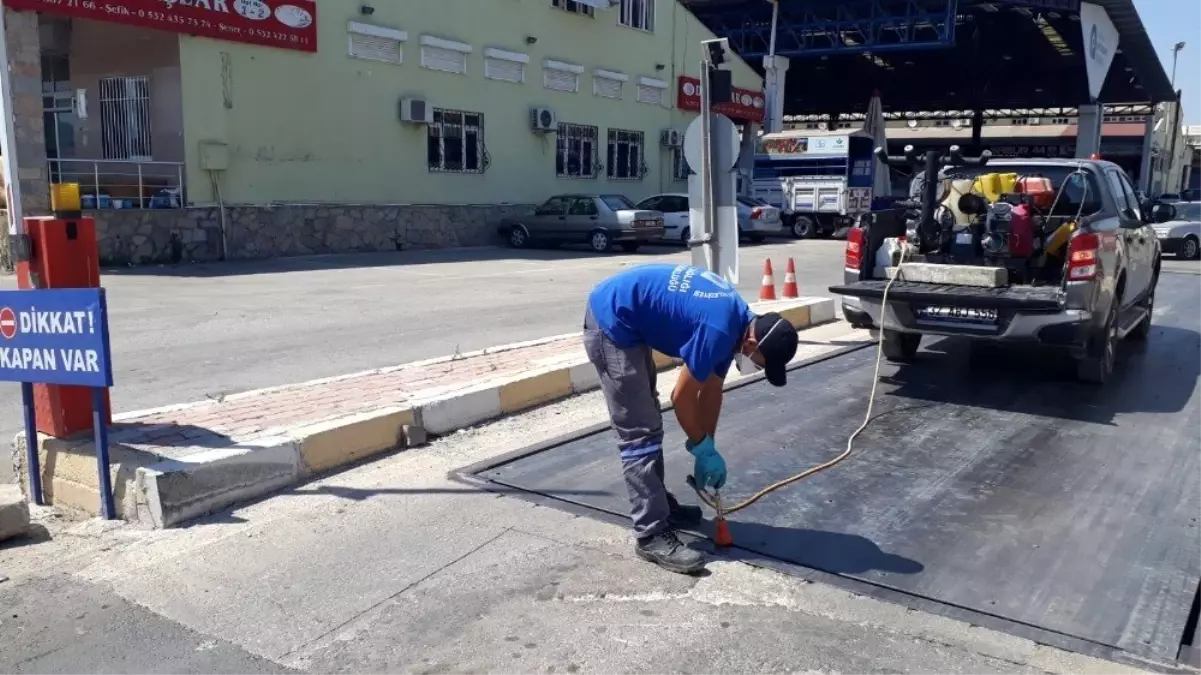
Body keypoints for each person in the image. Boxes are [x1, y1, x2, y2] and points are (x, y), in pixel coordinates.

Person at [582, 262, 799, 574]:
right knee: (640, 430)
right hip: (611, 320)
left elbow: (710, 390)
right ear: (751, 344)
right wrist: (700, 447)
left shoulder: (737, 325)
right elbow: (681, 398)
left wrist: (709, 445)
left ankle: (658, 504)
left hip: (629, 317)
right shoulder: (720, 329)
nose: (758, 369)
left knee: (648, 418)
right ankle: (651, 532)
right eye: (762, 364)